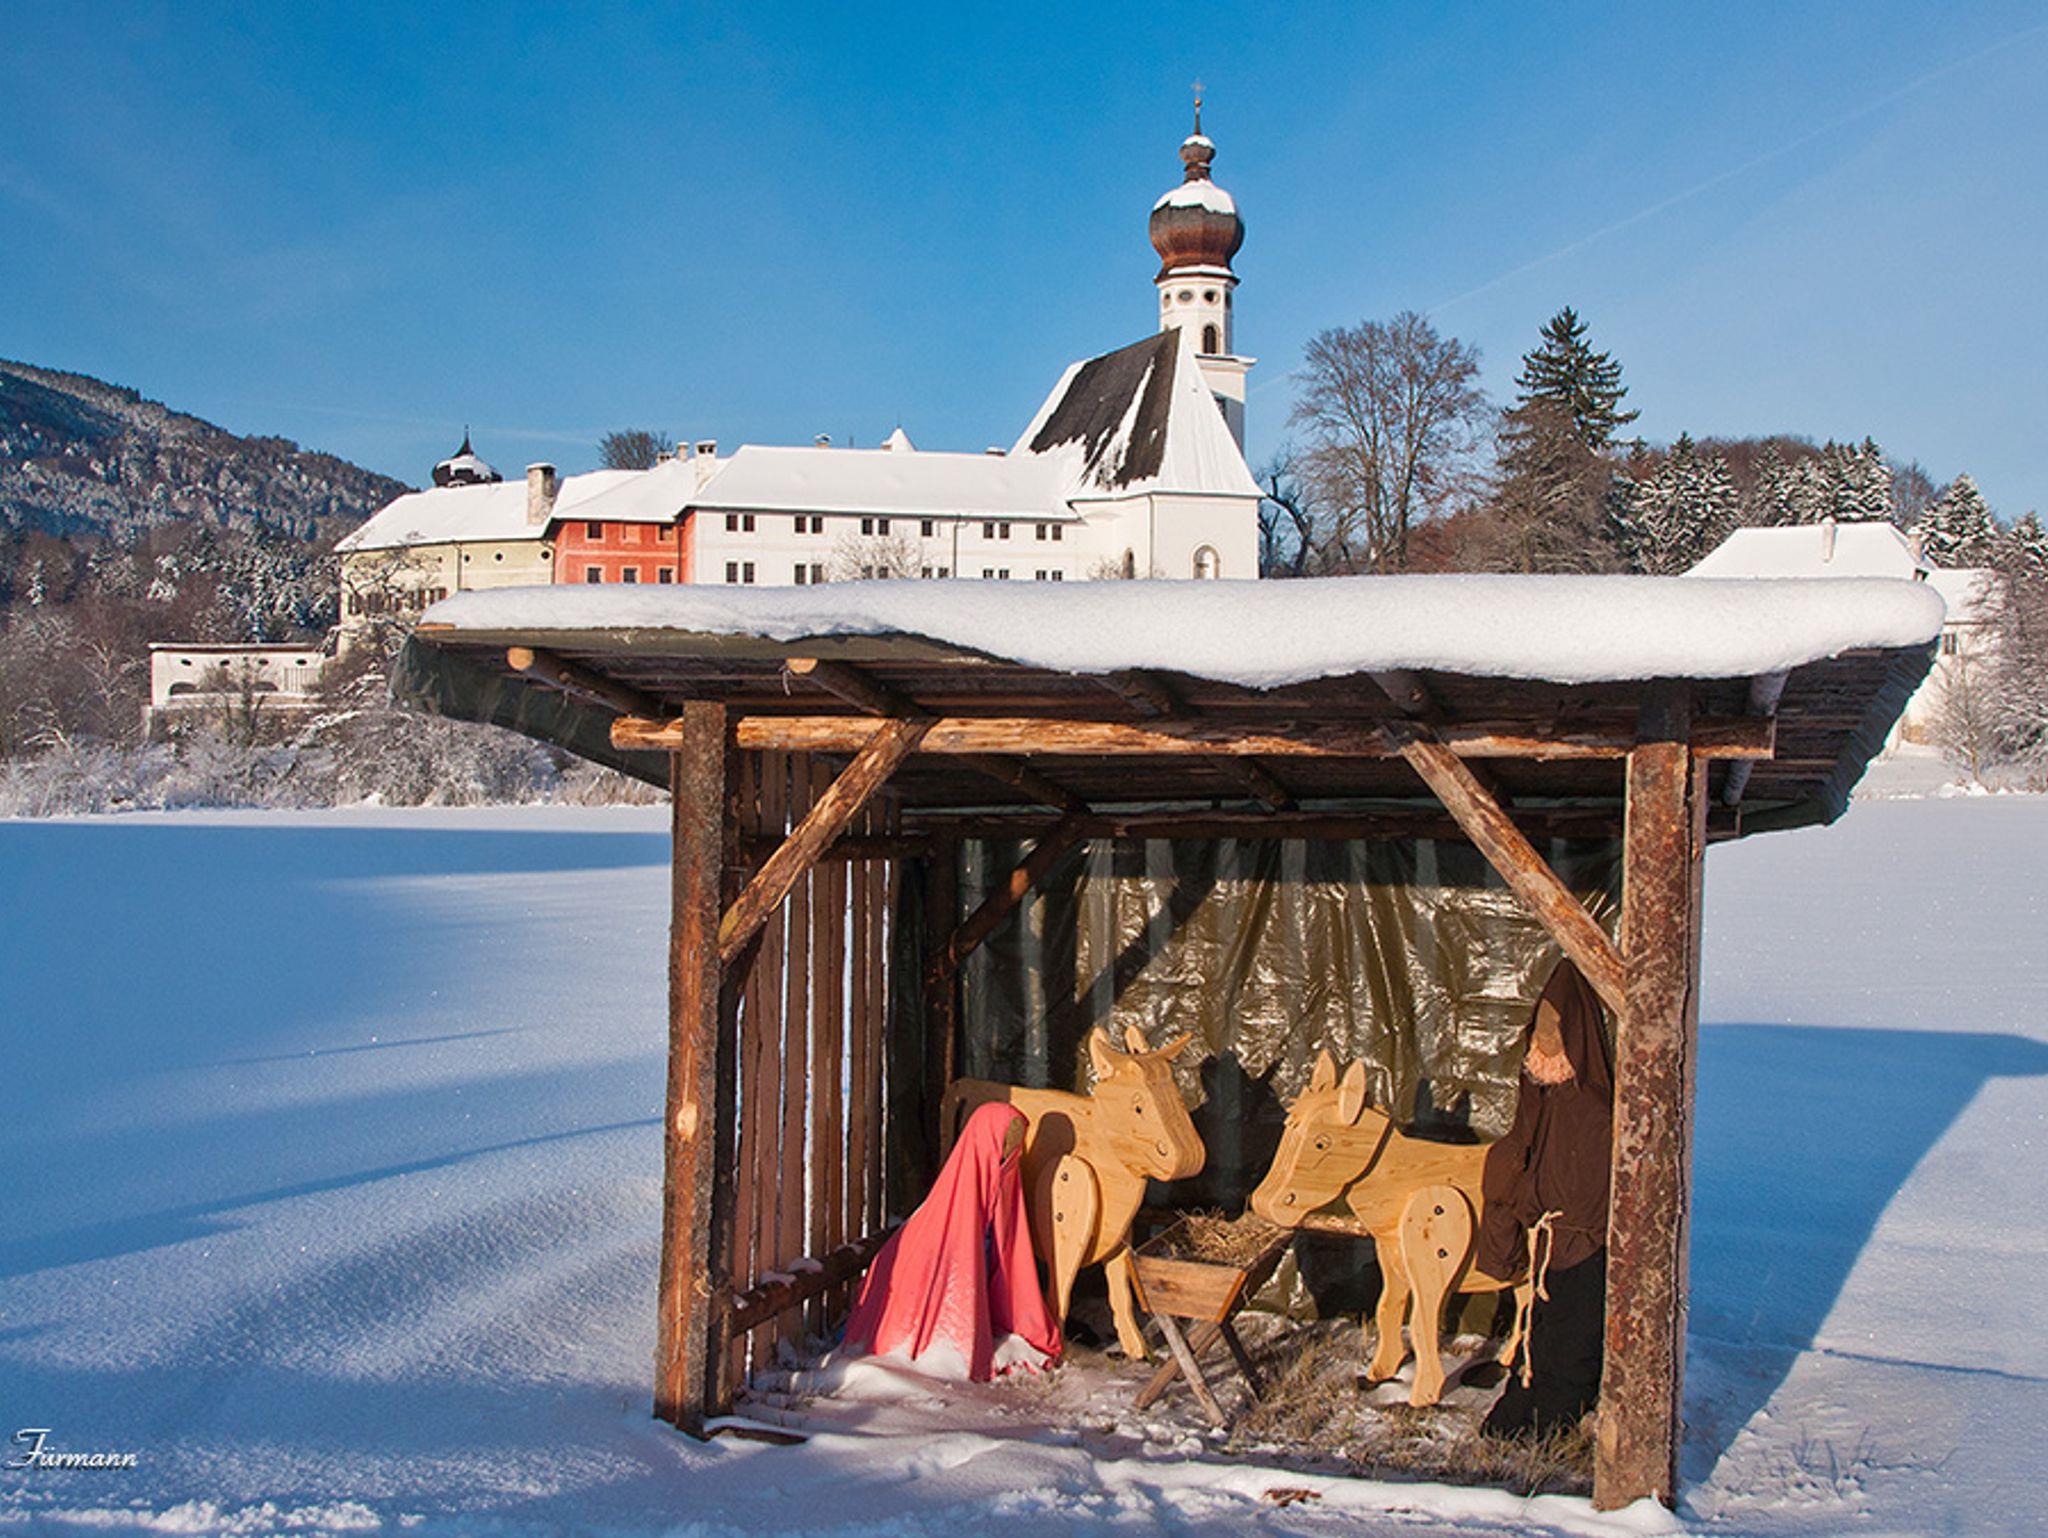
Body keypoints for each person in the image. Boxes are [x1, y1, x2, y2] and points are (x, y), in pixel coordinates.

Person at [1476, 958, 1613, 1438]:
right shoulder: (1542, 1096)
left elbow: (1585, 1183)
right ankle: (1528, 1400)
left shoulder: (1593, 1111)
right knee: (1541, 1328)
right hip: (1549, 1243)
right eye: (1539, 1032)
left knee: (1570, 1333)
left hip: (1578, 1246)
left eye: (1554, 1033)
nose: (1542, 1045)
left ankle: (1555, 1418)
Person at [839, 1101, 1061, 1381]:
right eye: (1005, 1140)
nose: (1010, 1149)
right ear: (986, 1140)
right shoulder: (958, 1195)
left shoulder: (1004, 1180)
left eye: (1016, 1142)